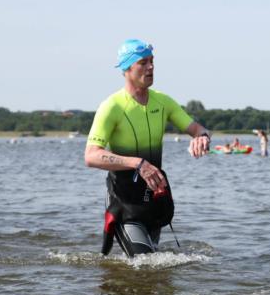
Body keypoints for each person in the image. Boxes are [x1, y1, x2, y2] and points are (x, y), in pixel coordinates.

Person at [84, 39, 210, 257]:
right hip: (123, 201)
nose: (151, 67)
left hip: (153, 199)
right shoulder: (112, 107)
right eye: (143, 62)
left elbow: (197, 128)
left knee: (153, 274)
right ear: (127, 68)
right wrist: (137, 163)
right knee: (146, 262)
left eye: (152, 61)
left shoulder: (163, 102)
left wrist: (202, 137)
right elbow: (91, 156)